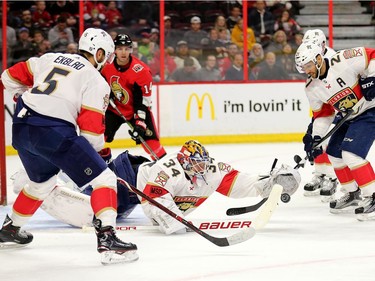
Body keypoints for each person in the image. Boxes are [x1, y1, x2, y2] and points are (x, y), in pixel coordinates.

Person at [0, 28, 138, 264]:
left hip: (22, 128)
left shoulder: (48, 58)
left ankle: (12, 228)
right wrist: (97, 156)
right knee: (104, 180)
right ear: (101, 52)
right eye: (109, 55)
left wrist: (21, 93)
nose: (108, 61)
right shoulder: (95, 79)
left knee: (41, 183)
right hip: (53, 131)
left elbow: (7, 77)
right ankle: (108, 239)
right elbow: (91, 134)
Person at [11, 140, 301, 235]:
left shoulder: (210, 170)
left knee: (103, 205)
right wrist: (175, 222)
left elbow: (240, 184)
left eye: (203, 162)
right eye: (195, 164)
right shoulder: (170, 170)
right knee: (92, 216)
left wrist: (270, 184)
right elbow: (156, 206)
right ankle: (35, 180)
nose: (201, 168)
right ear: (185, 162)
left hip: (136, 186)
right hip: (127, 181)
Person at [295, 42, 375, 220]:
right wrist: (316, 138)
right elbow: (323, 114)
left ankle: (373, 196)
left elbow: (371, 55)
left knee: (351, 155)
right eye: (303, 67)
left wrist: (373, 76)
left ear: (317, 59)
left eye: (307, 65)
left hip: (370, 110)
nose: (306, 70)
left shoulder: (342, 60)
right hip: (349, 115)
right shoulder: (312, 87)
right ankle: (353, 193)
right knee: (334, 154)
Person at [101, 34, 167, 160]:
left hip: (136, 110)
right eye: (120, 48)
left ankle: (165, 168)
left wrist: (140, 121)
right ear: (114, 49)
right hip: (113, 109)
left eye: (127, 48)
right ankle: (89, 165)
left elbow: (144, 100)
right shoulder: (106, 66)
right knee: (97, 136)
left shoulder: (141, 71)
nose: (123, 52)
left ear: (131, 49)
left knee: (152, 144)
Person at [300, 29, 338, 202]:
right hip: (322, 103)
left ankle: (332, 177)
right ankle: (320, 174)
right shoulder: (310, 58)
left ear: (322, 45)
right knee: (317, 139)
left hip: (338, 104)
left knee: (332, 142)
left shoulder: (333, 58)